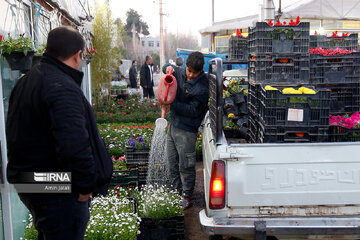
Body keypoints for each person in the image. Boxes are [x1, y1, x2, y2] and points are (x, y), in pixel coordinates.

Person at [6, 26, 113, 240]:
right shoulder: (60, 86)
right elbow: (73, 143)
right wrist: (84, 187)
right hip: (58, 187)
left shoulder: (28, 80)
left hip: (33, 181)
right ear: (77, 55)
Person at [165, 52, 209, 209]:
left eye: (194, 73)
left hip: (187, 130)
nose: (189, 75)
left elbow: (193, 111)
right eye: (188, 70)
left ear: (201, 70)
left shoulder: (203, 87)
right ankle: (176, 193)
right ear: (186, 66)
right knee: (170, 162)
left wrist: (171, 105)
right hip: (174, 125)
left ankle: (186, 196)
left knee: (186, 165)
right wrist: (167, 68)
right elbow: (168, 69)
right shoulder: (181, 72)